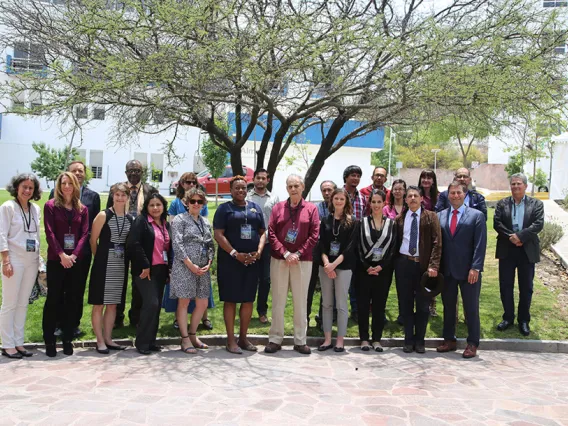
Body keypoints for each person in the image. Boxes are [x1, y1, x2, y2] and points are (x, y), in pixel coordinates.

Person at [265, 174, 319, 355]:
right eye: (290, 186)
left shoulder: (311, 209)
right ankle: (275, 339)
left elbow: (314, 235)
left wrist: (298, 253)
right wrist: (286, 253)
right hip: (280, 259)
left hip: (302, 261)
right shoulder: (278, 208)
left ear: (303, 187)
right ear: (286, 188)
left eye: (296, 185)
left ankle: (300, 340)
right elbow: (271, 232)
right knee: (278, 299)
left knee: (300, 301)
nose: (293, 189)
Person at [215, 176, 266, 353]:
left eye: (243, 188)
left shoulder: (255, 208)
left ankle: (243, 338)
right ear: (230, 190)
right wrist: (235, 254)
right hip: (230, 262)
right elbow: (218, 235)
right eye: (237, 188)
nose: (241, 191)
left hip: (251, 261)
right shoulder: (224, 209)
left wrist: (259, 251)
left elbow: (262, 232)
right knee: (230, 300)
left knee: (248, 299)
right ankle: (230, 340)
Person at [49, 160, 101, 338]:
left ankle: (73, 324)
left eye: (81, 171)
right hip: (60, 253)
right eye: (74, 171)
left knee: (77, 290)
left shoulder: (92, 197)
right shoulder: (56, 194)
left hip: (82, 252)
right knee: (60, 289)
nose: (78, 173)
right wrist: (62, 253)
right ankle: (57, 324)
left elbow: (92, 227)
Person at [436, 181, 487, 358]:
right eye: (452, 193)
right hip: (447, 270)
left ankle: (472, 343)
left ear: (465, 195)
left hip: (468, 272)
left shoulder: (477, 216)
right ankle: (449, 340)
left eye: (458, 193)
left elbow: (480, 245)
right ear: (447, 195)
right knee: (449, 307)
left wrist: (476, 267)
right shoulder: (440, 215)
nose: (455, 196)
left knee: (471, 307)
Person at [43, 172, 89, 357]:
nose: (67, 186)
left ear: (75, 185)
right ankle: (49, 340)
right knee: (54, 299)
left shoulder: (82, 209)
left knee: (71, 300)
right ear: (59, 186)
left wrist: (74, 255)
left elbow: (85, 234)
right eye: (64, 183)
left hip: (74, 262)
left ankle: (67, 338)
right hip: (56, 260)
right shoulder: (51, 206)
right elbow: (49, 232)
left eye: (70, 183)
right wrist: (62, 254)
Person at [494, 173, 544, 337]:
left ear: (525, 186)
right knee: (505, 285)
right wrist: (512, 237)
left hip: (526, 250)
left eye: (519, 184)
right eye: (513, 184)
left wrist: (521, 237)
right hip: (507, 249)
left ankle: (524, 320)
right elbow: (497, 223)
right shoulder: (502, 204)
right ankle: (508, 317)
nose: (515, 186)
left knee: (526, 287)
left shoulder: (536, 204)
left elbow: (538, 224)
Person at [110, 159, 158, 328]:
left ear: (142, 172)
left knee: (139, 281)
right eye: (130, 171)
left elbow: (155, 212)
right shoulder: (118, 190)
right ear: (126, 173)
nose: (134, 174)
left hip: (141, 243)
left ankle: (135, 318)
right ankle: (116, 318)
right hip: (120, 242)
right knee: (119, 281)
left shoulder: (150, 190)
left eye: (137, 171)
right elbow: (110, 213)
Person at [394, 185, 442, 354]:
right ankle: (408, 340)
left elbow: (437, 243)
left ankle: (420, 340)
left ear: (422, 199)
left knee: (423, 305)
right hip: (404, 265)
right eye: (410, 196)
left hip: (424, 267)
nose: (412, 198)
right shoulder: (400, 219)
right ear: (405, 200)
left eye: (416, 195)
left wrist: (433, 265)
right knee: (405, 304)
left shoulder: (431, 217)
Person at [0, 173, 42, 359]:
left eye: (30, 188)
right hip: (14, 260)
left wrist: (40, 262)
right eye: (24, 187)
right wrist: (5, 261)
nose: (27, 190)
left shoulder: (35, 209)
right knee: (10, 303)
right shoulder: (8, 207)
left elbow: (36, 238)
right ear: (16, 187)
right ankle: (7, 344)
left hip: (31, 261)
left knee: (23, 303)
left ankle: (19, 342)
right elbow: (1, 235)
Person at [88, 183, 133, 354]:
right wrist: (98, 258)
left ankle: (108, 338)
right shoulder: (103, 215)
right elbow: (93, 241)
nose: (120, 198)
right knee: (99, 304)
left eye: (123, 195)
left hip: (120, 264)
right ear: (112, 196)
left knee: (113, 304)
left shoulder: (130, 219)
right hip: (103, 263)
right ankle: (99, 340)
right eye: (117, 195)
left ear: (128, 197)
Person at [165, 172, 213, 331]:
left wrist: (209, 262)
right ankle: (185, 338)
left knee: (202, 302)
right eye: (193, 201)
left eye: (200, 201)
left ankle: (193, 334)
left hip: (202, 269)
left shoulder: (205, 222)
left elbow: (210, 244)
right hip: (185, 266)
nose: (196, 204)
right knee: (184, 301)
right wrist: (190, 264)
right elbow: (177, 243)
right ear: (186, 203)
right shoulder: (180, 219)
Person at [127, 193, 172, 355]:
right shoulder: (141, 221)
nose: (155, 208)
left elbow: (167, 248)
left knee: (156, 306)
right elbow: (134, 243)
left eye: (158, 205)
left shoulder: (165, 224)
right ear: (146, 207)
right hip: (145, 270)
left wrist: (169, 269)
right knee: (151, 303)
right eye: (152, 205)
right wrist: (145, 265)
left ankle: (151, 341)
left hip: (161, 270)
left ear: (163, 206)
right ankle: (142, 343)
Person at [356, 189, 397, 352]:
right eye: (373, 202)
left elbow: (393, 248)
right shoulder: (361, 222)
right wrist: (367, 267)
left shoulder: (391, 224)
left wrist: (381, 266)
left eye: (379, 202)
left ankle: (377, 339)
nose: (376, 205)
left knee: (380, 306)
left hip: (383, 271)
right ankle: (364, 339)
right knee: (363, 305)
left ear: (384, 203)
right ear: (369, 203)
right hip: (364, 271)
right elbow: (357, 247)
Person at [317, 188, 357, 352]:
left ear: (346, 201)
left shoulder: (353, 221)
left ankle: (340, 340)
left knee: (341, 304)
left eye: (342, 198)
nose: (339, 201)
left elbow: (350, 248)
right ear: (331, 201)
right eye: (336, 198)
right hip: (325, 267)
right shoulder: (325, 220)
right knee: (326, 304)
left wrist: (334, 265)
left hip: (343, 267)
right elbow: (321, 245)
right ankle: (327, 339)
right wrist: (327, 264)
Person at [246, 168, 279, 324]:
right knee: (249, 278)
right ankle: (246, 308)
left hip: (267, 245)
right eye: (258, 178)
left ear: (268, 180)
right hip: (249, 243)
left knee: (265, 279)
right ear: (254, 179)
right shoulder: (247, 197)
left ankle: (262, 311)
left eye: (263, 178)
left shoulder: (274, 198)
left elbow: (277, 221)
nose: (260, 180)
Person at [307, 180, 337, 328]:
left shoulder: (340, 209)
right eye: (324, 190)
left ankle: (323, 320)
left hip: (333, 253)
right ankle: (304, 318)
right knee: (309, 286)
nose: (326, 193)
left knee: (328, 288)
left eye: (329, 190)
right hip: (316, 250)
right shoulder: (315, 208)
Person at [343, 165, 366, 322]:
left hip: (357, 244)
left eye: (358, 176)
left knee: (356, 280)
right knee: (339, 279)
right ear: (346, 177)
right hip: (341, 243)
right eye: (352, 175)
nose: (355, 178)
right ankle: (338, 310)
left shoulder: (362, 199)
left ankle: (356, 310)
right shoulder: (338, 195)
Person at [418, 169, 440, 317]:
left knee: (432, 274)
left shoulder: (438, 197)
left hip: (435, 236)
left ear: (433, 180)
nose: (426, 180)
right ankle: (419, 304)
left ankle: (431, 305)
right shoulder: (416, 196)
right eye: (423, 177)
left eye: (429, 178)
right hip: (419, 237)